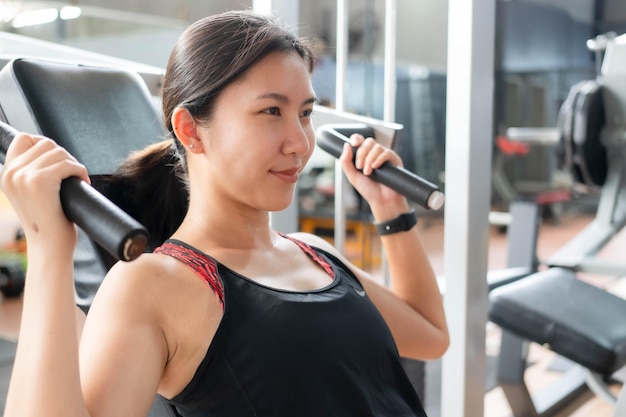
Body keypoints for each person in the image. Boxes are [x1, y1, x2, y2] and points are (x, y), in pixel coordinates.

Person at [0, 10, 448, 417]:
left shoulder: (314, 253)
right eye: (271, 111)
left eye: (306, 113)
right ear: (190, 130)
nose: (300, 142)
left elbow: (430, 335)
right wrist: (47, 248)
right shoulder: (155, 284)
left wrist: (390, 210)